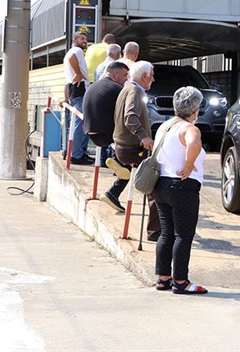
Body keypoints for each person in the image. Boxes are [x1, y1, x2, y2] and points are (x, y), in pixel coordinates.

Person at [153, 86, 208, 295]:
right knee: (183, 235)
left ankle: (163, 278)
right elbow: (193, 144)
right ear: (195, 109)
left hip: (161, 185)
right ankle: (181, 281)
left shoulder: (164, 126)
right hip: (182, 186)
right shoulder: (190, 128)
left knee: (166, 233)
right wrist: (188, 164)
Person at [113, 61, 161, 241]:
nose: (153, 79)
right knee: (155, 185)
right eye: (152, 75)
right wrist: (144, 137)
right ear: (144, 77)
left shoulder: (127, 89)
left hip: (125, 146)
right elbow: (130, 117)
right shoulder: (133, 91)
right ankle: (155, 232)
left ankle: (156, 230)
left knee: (152, 185)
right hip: (131, 148)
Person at [83, 62, 131, 212]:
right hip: (106, 134)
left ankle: (118, 163)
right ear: (115, 74)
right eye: (124, 76)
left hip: (91, 133)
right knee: (136, 154)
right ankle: (114, 190)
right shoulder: (117, 89)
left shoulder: (93, 86)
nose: (126, 79)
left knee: (129, 158)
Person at [62, 32, 92, 165]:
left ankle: (73, 152)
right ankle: (76, 155)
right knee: (80, 123)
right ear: (75, 40)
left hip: (73, 88)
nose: (85, 41)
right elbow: (72, 58)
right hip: (79, 88)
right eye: (82, 39)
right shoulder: (76, 51)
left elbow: (66, 80)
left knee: (76, 122)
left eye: (85, 39)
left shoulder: (70, 52)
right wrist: (79, 74)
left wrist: (65, 97)